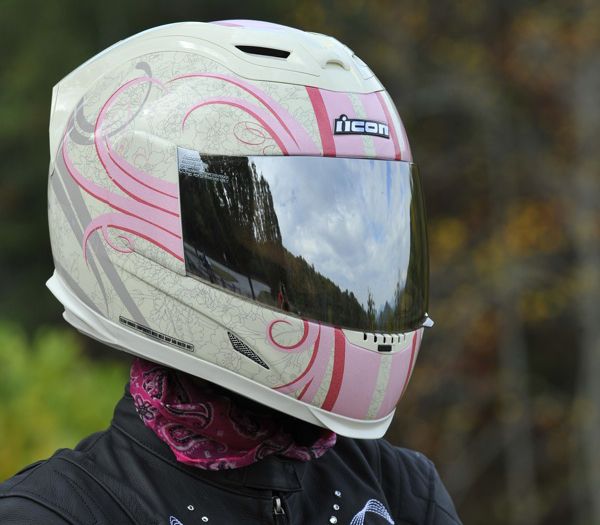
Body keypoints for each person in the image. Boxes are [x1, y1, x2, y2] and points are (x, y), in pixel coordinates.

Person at [0, 20, 462, 524]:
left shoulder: (401, 489)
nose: (319, 275)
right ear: (145, 229)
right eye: (280, 246)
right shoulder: (57, 513)